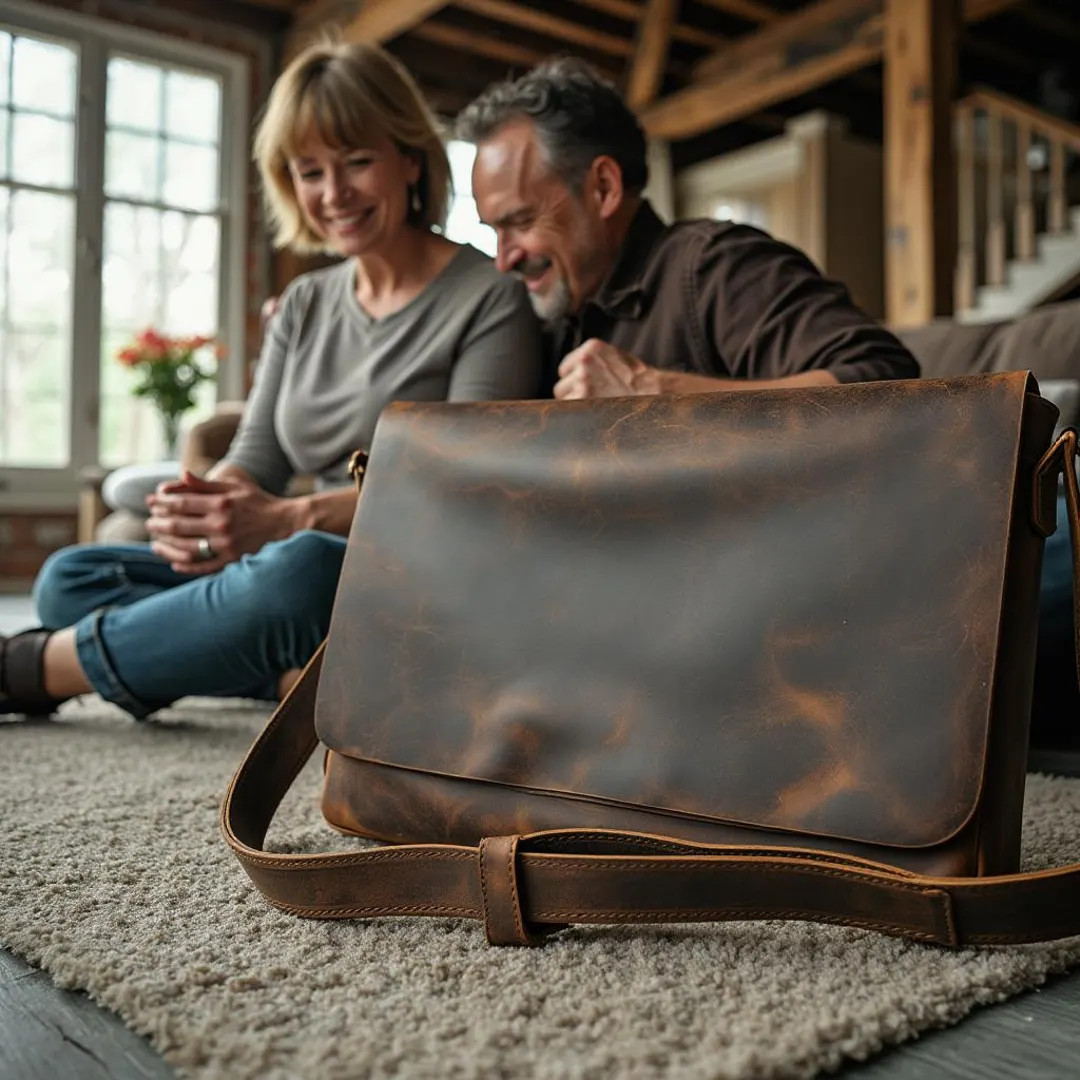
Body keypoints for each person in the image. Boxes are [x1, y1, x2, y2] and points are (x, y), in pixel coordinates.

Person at [0, 40, 540, 720]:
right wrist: (201, 506)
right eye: (309, 170)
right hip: (291, 553)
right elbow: (256, 458)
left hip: (410, 574)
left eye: (357, 162)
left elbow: (461, 484)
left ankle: (36, 669)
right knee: (69, 579)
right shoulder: (306, 301)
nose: (333, 193)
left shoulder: (490, 297)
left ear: (409, 158)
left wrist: (292, 519)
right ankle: (289, 677)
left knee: (300, 569)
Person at [455, 58, 919, 398]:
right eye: (493, 230)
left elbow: (890, 381)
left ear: (603, 188)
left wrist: (660, 393)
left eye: (519, 221)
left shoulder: (713, 265)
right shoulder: (547, 315)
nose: (504, 258)